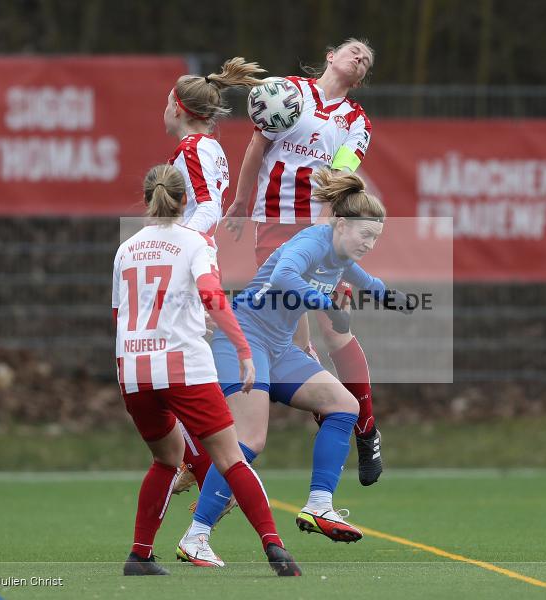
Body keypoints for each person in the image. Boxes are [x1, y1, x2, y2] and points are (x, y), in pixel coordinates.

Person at [176, 169, 412, 567]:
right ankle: (196, 535)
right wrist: (328, 305)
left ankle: (319, 505)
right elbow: (284, 275)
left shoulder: (341, 256)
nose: (369, 244)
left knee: (345, 406)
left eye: (375, 238)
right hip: (244, 338)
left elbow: (368, 281)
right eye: (365, 235)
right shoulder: (312, 241)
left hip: (279, 347)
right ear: (340, 224)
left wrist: (395, 299)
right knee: (248, 440)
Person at [114, 164, 300, 577]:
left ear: (147, 200)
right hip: (183, 366)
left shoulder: (125, 249)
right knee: (232, 458)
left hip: (134, 369)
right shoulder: (195, 242)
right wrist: (243, 350)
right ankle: (276, 549)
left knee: (166, 460)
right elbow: (212, 295)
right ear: (186, 201)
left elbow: (120, 314)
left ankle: (140, 556)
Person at [221, 38, 385, 487]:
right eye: (354, 50)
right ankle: (333, 411)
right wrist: (241, 201)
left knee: (335, 328)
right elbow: (257, 146)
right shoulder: (289, 91)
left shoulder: (356, 121)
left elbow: (339, 177)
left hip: (322, 229)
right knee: (290, 341)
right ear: (331, 56)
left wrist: (325, 234)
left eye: (366, 59)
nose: (360, 57)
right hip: (274, 226)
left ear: (362, 77)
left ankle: (365, 427)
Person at [161, 57, 267, 495]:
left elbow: (207, 207)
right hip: (200, 259)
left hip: (189, 264)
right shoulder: (208, 147)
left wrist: (176, 244)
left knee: (174, 369)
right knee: (182, 365)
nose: (164, 109)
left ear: (178, 107)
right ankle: (200, 458)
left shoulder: (192, 148)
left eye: (167, 102)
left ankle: (206, 465)